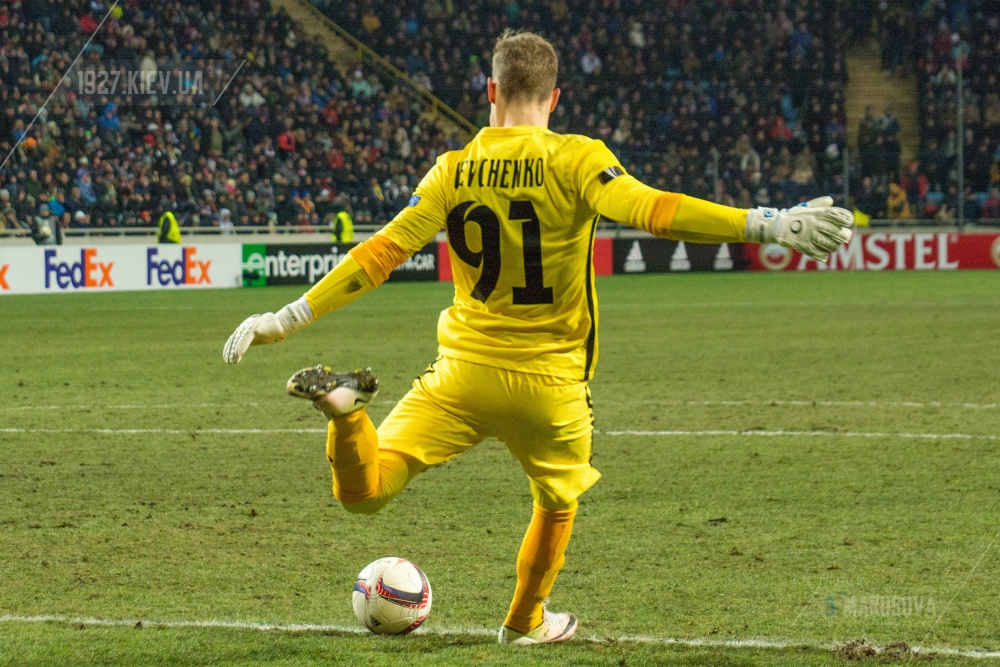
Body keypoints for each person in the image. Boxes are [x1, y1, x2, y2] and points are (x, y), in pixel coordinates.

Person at [223, 31, 853, 646]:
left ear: (490, 90)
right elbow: (656, 211)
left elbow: (380, 254)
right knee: (556, 500)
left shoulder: (452, 170)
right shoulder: (578, 158)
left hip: (461, 374)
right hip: (550, 386)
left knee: (366, 494)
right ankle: (525, 620)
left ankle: (346, 416)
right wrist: (765, 223)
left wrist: (285, 318)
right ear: (554, 99)